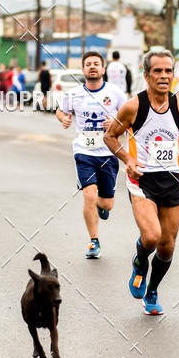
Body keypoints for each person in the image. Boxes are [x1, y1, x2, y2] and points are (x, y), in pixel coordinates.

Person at [104, 49, 179, 315]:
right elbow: (111, 137)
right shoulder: (133, 106)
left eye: (168, 70)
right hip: (143, 179)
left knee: (167, 246)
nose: (163, 76)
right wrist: (128, 160)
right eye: (157, 71)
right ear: (146, 75)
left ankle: (152, 290)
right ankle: (139, 261)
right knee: (151, 236)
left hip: (173, 178)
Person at [56, 51, 126, 259]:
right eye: (89, 64)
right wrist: (63, 118)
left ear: (103, 69)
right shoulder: (74, 93)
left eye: (96, 64)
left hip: (108, 153)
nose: (93, 67)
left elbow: (130, 118)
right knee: (89, 194)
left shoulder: (116, 93)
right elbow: (60, 111)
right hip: (83, 151)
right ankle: (93, 242)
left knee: (106, 204)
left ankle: (100, 205)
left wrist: (116, 125)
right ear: (83, 70)